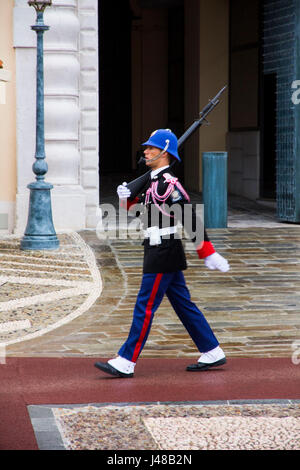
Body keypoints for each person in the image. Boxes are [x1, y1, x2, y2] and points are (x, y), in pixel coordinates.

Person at [95, 129, 230, 378]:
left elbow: (188, 218)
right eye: (146, 148)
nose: (145, 151)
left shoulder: (169, 184)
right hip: (157, 248)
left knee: (144, 306)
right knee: (183, 304)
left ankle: (126, 360)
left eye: (151, 148)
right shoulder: (153, 182)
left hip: (164, 250)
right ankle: (212, 350)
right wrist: (125, 199)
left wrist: (208, 252)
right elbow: (143, 213)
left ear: (165, 152)